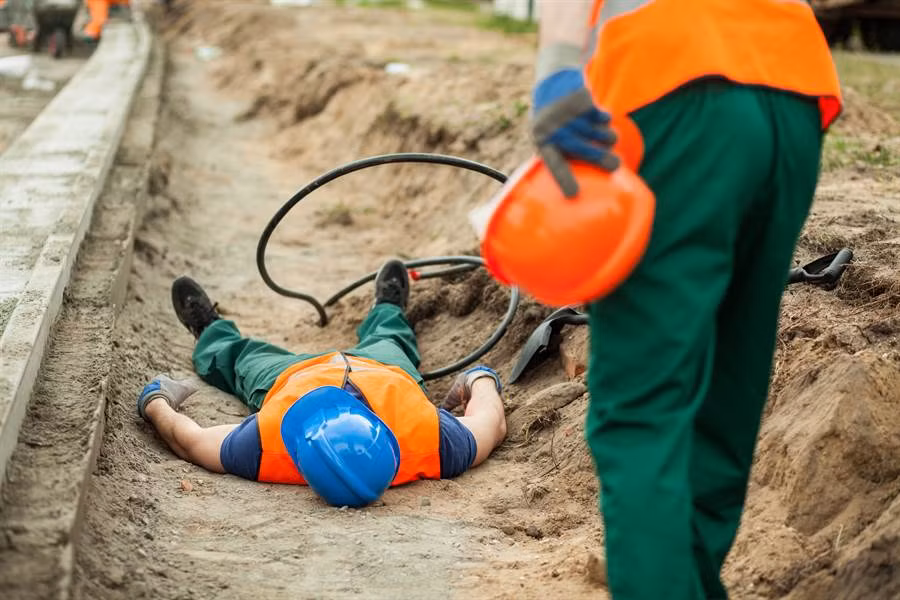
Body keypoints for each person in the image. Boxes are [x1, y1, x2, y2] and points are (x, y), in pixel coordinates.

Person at [530, 1, 842, 598]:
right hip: (792, 88)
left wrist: (557, 67)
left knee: (643, 414)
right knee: (725, 398)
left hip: (670, 87)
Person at [137, 260, 507, 507]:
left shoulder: (268, 445)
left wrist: (155, 402)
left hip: (291, 376)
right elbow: (492, 423)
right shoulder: (431, 440)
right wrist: (480, 379)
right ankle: (387, 308)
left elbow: (190, 441)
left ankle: (210, 331)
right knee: (392, 337)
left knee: (241, 359)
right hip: (386, 369)